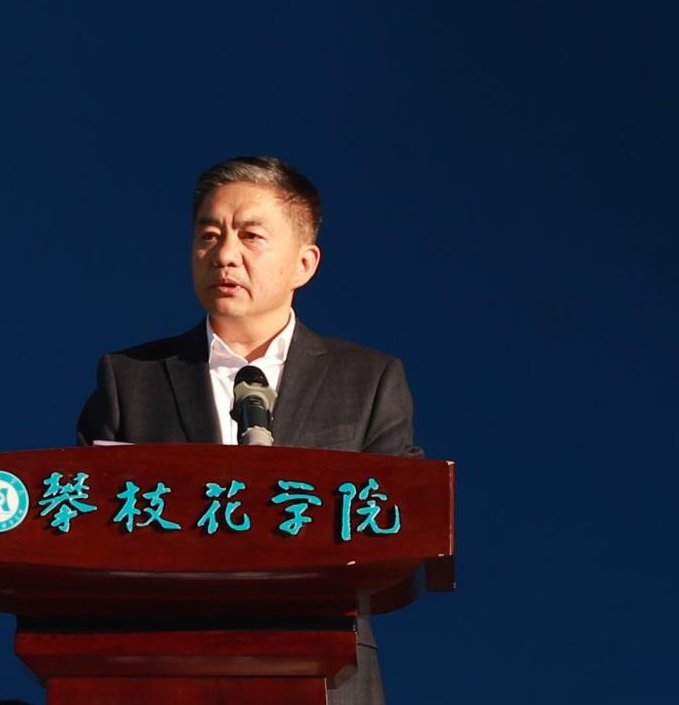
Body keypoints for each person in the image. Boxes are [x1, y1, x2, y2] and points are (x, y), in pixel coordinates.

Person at [77, 156, 424, 704]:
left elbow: (401, 519)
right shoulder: (130, 378)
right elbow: (86, 527)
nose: (224, 255)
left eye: (250, 236)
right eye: (209, 235)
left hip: (325, 672)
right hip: (165, 670)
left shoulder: (368, 379)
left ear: (304, 263)